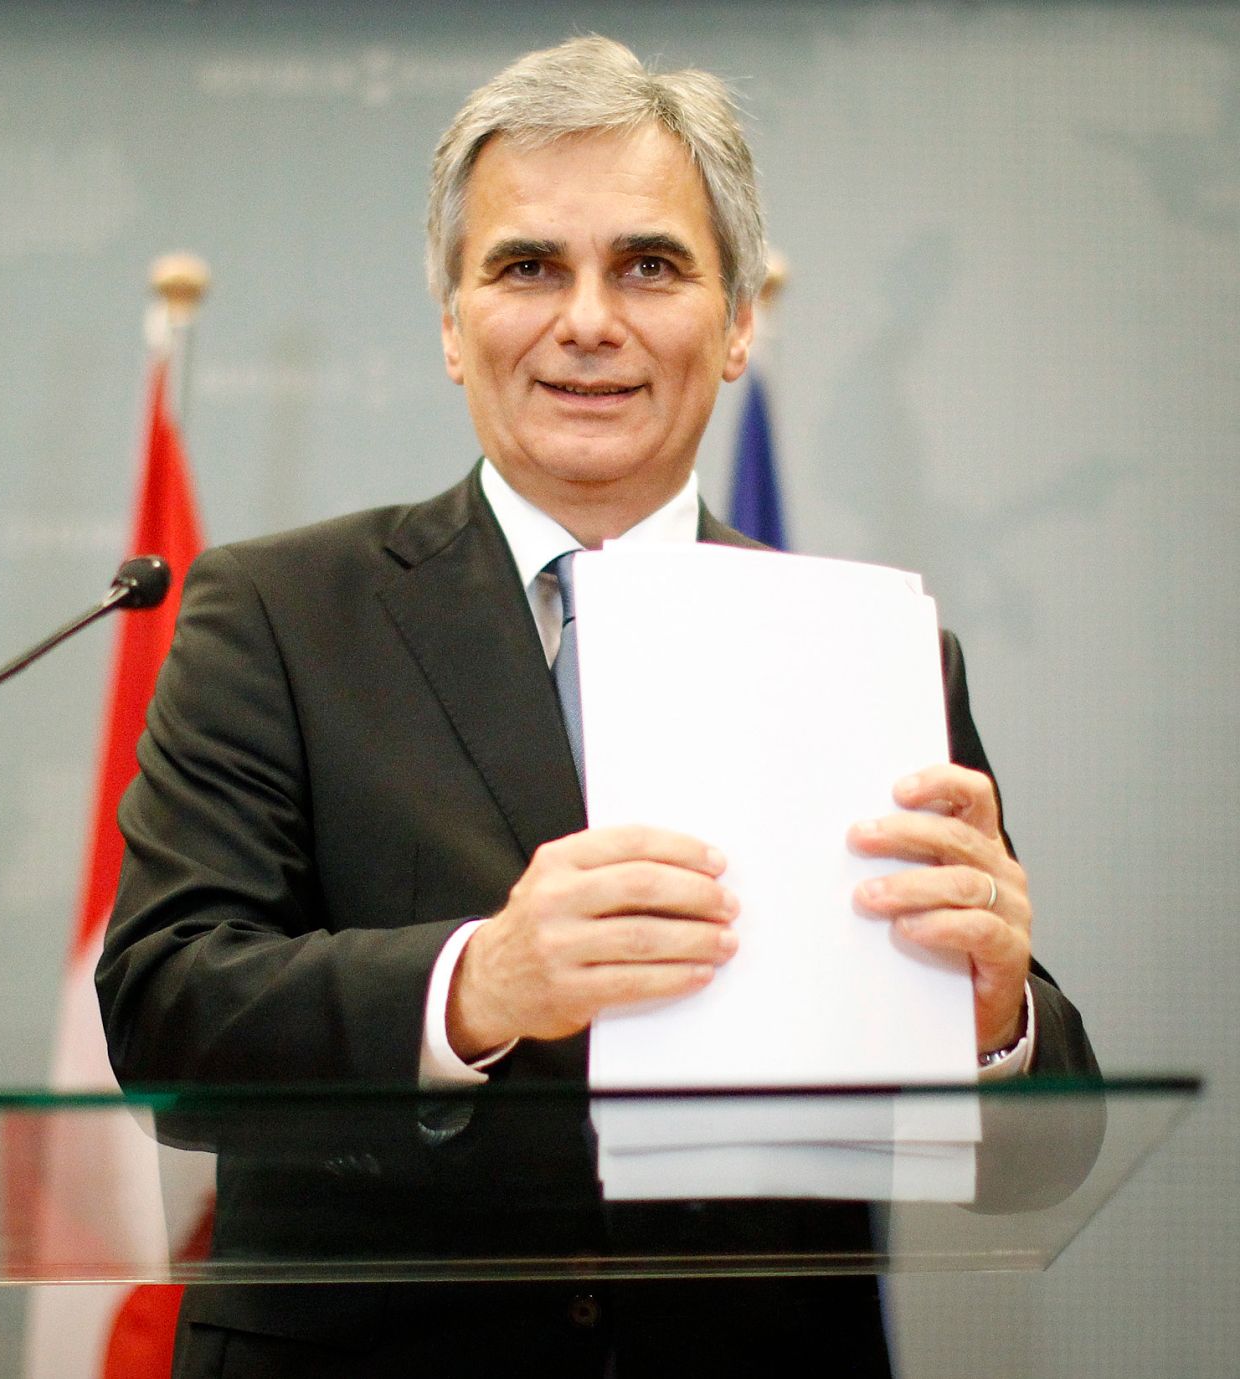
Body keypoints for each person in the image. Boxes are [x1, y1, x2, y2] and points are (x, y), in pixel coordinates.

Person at [97, 35, 1097, 1379]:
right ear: (452, 327)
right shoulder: (273, 615)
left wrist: (992, 1020)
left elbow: (1043, 1155)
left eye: (649, 265)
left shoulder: (873, 651)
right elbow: (164, 1007)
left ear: (737, 320)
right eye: (526, 267)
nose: (587, 319)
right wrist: (478, 984)